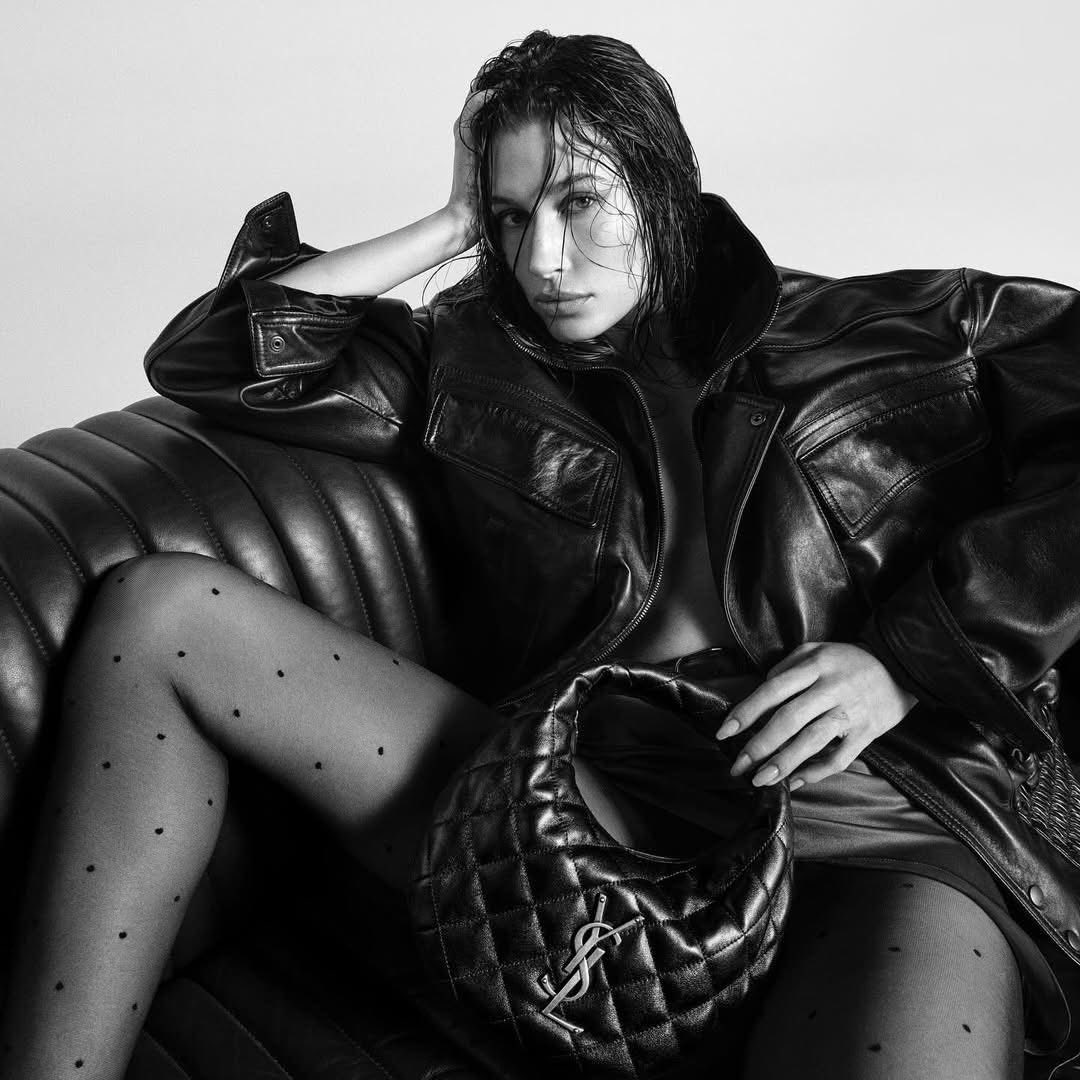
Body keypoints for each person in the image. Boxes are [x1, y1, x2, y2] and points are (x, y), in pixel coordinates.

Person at [2, 28, 1079, 1080]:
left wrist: (910, 658)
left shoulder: (899, 330)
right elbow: (215, 356)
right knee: (163, 617)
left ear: (664, 189)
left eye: (579, 203)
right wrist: (452, 219)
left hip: (879, 840)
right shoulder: (472, 366)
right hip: (580, 820)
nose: (543, 261)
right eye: (514, 219)